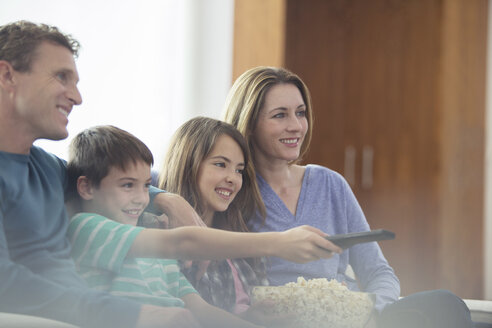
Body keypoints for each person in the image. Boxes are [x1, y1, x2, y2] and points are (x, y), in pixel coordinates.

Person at [0, 19, 217, 328]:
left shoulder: (46, 168)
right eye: (62, 77)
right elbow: (4, 284)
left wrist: (170, 201)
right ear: (7, 75)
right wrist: (133, 315)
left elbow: (110, 185)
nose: (77, 97)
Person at [222, 66, 473, 328]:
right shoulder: (232, 192)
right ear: (249, 123)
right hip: (289, 322)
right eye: (280, 115)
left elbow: (378, 272)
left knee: (445, 305)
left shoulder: (330, 184)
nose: (296, 126)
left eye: (300, 113)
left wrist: (372, 314)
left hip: (352, 320)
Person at [66, 125, 341, 327]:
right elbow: (181, 242)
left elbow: (201, 311)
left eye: (147, 186)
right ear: (86, 187)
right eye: (128, 185)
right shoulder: (88, 228)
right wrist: (279, 243)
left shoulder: (157, 255)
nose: (140, 198)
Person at [158, 117, 303, 323]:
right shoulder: (163, 236)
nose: (232, 178)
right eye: (220, 164)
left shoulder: (240, 244)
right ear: (188, 164)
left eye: (238, 170)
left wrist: (250, 317)